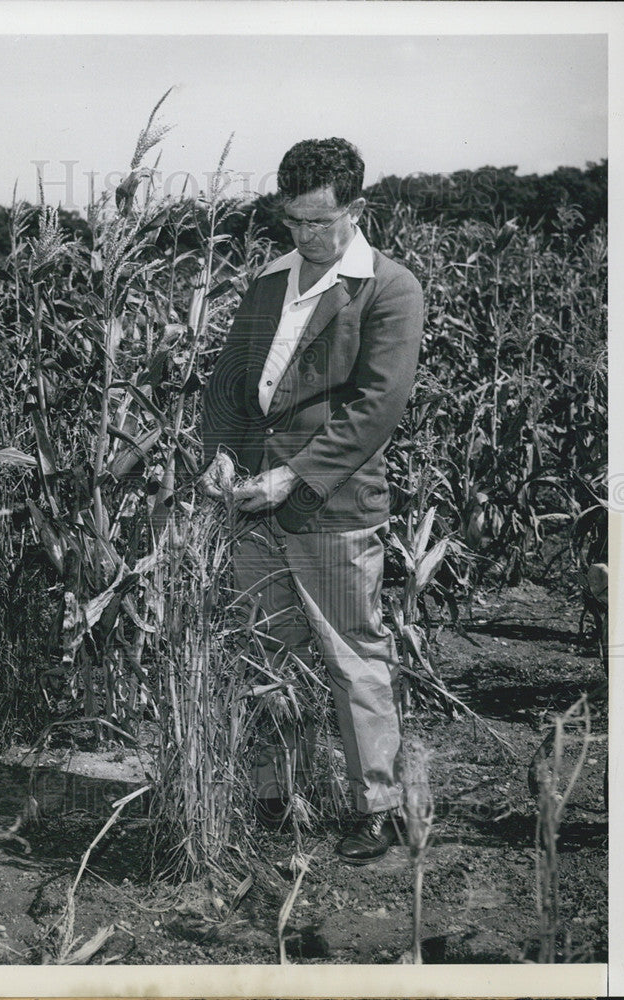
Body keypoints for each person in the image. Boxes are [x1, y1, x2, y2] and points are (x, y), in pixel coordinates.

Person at [201, 138, 424, 864]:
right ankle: (274, 794)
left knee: (351, 654)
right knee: (266, 651)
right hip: (250, 499)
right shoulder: (270, 280)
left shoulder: (389, 289)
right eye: (290, 220)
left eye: (317, 222)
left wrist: (290, 476)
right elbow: (233, 381)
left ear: (356, 210)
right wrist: (223, 454)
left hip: (329, 506)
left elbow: (374, 410)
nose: (303, 236)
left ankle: (378, 809)